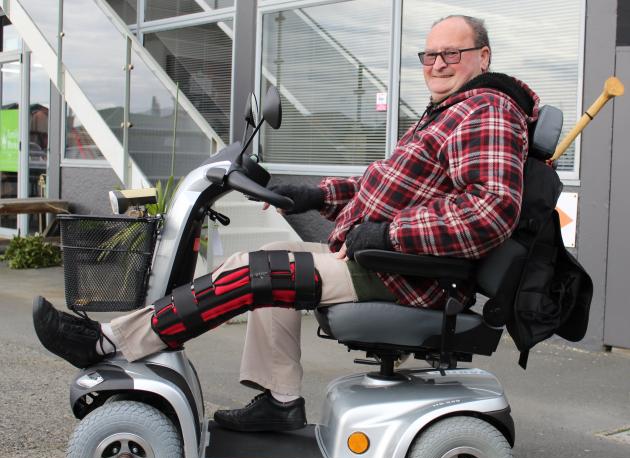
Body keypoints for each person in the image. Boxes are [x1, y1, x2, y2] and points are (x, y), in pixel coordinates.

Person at [33, 14, 539, 432]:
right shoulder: (448, 111)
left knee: (259, 274)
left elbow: (489, 211)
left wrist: (384, 234)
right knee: (255, 257)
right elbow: (387, 191)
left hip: (409, 274)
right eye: (429, 55)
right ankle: (280, 402)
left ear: (483, 58)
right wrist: (314, 195)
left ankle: (110, 342)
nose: (437, 64)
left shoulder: (486, 110)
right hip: (383, 260)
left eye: (452, 54)